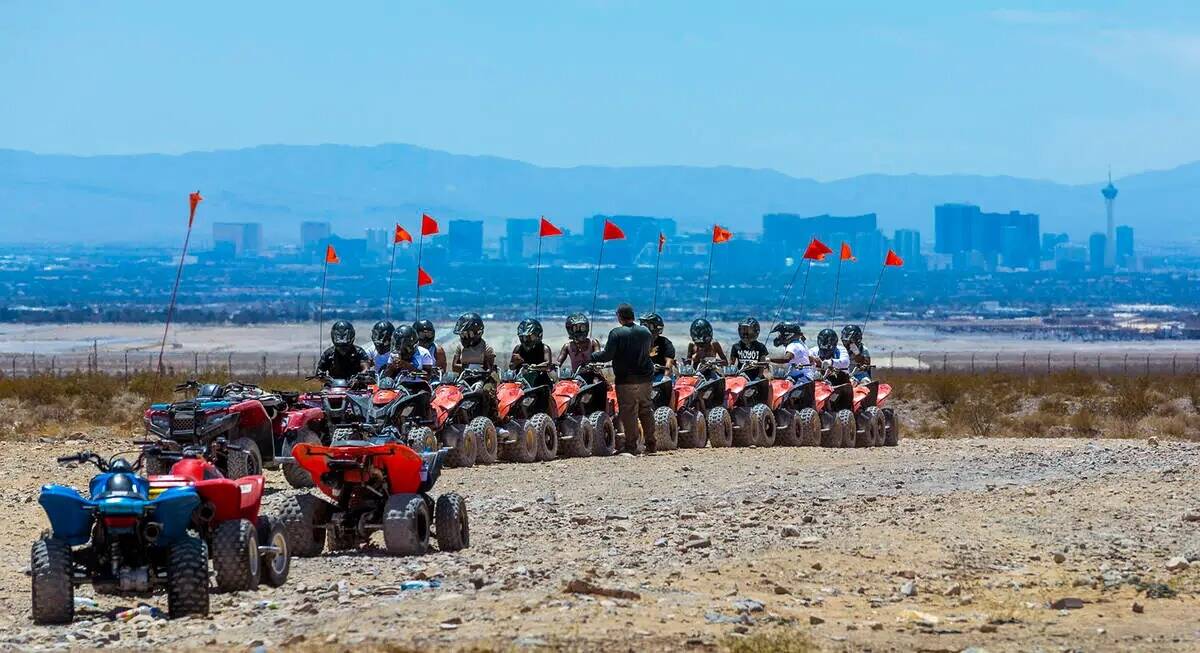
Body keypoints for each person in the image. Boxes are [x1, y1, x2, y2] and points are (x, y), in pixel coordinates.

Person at [590, 303, 657, 454]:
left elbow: (607, 355)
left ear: (619, 317)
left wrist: (592, 356)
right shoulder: (646, 332)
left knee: (628, 413)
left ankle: (631, 446)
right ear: (632, 315)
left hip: (626, 380)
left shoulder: (616, 333)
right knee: (646, 410)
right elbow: (648, 350)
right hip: (646, 379)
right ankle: (651, 444)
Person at [639, 312, 675, 380]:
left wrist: (666, 378)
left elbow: (669, 363)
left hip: (660, 376)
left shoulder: (665, 343)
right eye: (643, 325)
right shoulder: (638, 343)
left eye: (647, 326)